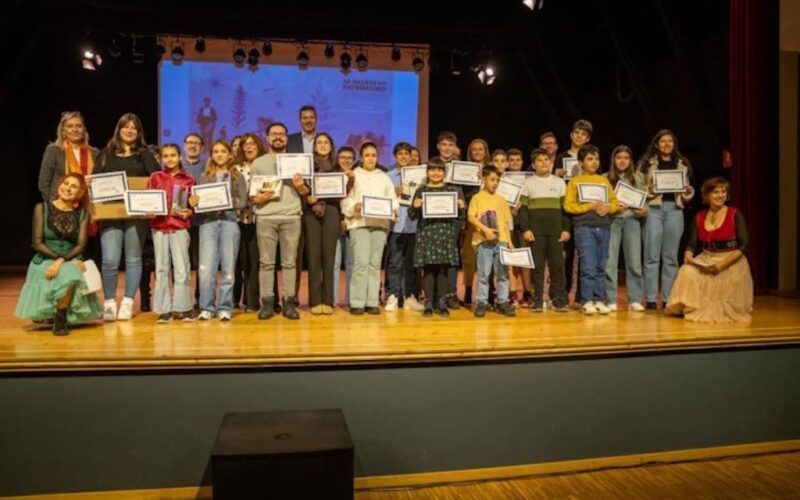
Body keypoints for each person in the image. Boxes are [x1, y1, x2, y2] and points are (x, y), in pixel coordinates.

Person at [15, 174, 102, 335]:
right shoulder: (42, 208)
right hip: (44, 258)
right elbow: (37, 243)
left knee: (70, 272)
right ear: (59, 185)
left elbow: (81, 245)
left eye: (74, 186)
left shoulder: (83, 214)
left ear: (80, 193)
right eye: (65, 183)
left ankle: (60, 318)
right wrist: (58, 259)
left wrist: (63, 260)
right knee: (69, 272)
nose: (68, 188)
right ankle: (53, 313)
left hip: (70, 257)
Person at [94, 113, 160, 322]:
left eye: (134, 127)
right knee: (110, 260)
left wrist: (153, 206)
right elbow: (95, 182)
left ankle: (129, 302)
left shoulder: (145, 154)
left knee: (133, 258)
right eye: (126, 127)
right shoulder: (105, 154)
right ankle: (110, 303)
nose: (130, 130)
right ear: (119, 129)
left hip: (137, 214)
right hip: (110, 213)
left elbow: (156, 181)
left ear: (138, 132)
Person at [666, 177, 753, 322]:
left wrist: (722, 265)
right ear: (707, 196)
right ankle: (688, 305)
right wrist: (688, 254)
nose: (720, 195)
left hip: (730, 261)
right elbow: (692, 243)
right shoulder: (699, 217)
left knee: (715, 307)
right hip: (706, 259)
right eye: (716, 192)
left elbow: (744, 246)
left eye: (723, 192)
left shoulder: (734, 214)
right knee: (686, 271)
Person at [251, 122, 307, 320]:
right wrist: (259, 199)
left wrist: (300, 187)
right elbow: (253, 196)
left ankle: (289, 303)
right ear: (267, 138)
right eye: (274, 134)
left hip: (291, 217)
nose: (278, 137)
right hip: (266, 217)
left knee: (289, 263)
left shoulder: (298, 161)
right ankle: (266, 302)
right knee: (266, 263)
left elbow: (306, 192)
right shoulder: (258, 163)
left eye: (282, 134)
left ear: (287, 138)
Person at [189, 141, 247, 321]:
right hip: (208, 223)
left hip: (229, 222)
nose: (219, 154)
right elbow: (197, 201)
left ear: (230, 154)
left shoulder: (237, 176)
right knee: (206, 268)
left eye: (223, 151)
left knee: (229, 268)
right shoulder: (204, 176)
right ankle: (206, 306)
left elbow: (243, 202)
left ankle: (224, 306)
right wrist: (194, 202)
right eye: (216, 152)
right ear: (211, 155)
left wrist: (227, 202)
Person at [637, 129, 695, 309]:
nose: (667, 144)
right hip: (654, 209)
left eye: (670, 141)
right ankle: (652, 299)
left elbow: (685, 194)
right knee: (651, 256)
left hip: (674, 211)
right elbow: (638, 189)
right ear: (656, 144)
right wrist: (650, 191)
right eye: (663, 141)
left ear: (674, 144)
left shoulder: (682, 164)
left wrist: (687, 192)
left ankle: (669, 298)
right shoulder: (646, 164)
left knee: (670, 257)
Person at [340, 141, 399, 315]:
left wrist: (394, 210)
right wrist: (354, 207)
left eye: (374, 155)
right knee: (361, 264)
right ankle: (357, 302)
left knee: (375, 265)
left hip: (380, 225)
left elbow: (392, 198)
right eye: (367, 155)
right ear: (361, 157)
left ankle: (371, 301)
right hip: (360, 224)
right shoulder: (353, 176)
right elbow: (345, 200)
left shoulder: (384, 177)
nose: (371, 158)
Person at [564, 145, 619, 315]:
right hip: (584, 227)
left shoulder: (604, 181)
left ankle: (599, 299)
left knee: (601, 266)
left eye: (596, 158)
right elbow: (568, 206)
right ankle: (587, 300)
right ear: (581, 162)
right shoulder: (575, 181)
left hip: (603, 227)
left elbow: (615, 202)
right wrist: (589, 206)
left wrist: (608, 208)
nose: (594, 162)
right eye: (589, 159)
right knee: (588, 266)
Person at [408, 157, 465, 316]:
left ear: (444, 173)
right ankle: (427, 304)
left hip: (445, 234)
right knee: (427, 270)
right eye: (432, 169)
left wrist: (461, 207)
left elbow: (460, 215)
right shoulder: (421, 190)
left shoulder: (450, 190)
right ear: (427, 172)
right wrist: (415, 206)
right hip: (426, 234)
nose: (435, 173)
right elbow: (412, 216)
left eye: (439, 170)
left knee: (442, 270)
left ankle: (441, 303)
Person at [516, 148, 571, 313]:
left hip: (556, 233)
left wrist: (566, 229)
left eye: (546, 160)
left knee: (557, 268)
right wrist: (525, 229)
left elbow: (565, 210)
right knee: (538, 268)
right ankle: (538, 300)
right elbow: (523, 210)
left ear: (551, 162)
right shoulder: (528, 183)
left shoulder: (559, 182)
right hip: (536, 233)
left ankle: (559, 300)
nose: (543, 163)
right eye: (539, 160)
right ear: (533, 164)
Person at [148, 144, 196, 323]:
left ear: (180, 157)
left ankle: (183, 307)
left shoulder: (188, 179)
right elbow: (148, 201)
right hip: (159, 227)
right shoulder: (155, 177)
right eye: (166, 156)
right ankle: (163, 309)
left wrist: (190, 211)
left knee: (182, 268)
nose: (169, 159)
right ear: (161, 158)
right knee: (161, 269)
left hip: (179, 227)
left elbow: (192, 206)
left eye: (173, 155)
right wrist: (147, 210)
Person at [467, 166, 516, 318]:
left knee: (503, 273)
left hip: (500, 241)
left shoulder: (501, 200)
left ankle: (502, 301)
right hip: (484, 242)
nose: (495, 183)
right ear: (483, 179)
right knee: (483, 274)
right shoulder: (477, 198)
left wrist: (509, 242)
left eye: (497, 180)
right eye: (492, 180)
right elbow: (471, 217)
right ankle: (481, 302)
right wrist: (485, 229)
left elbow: (506, 222)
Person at [604, 146, 647, 312]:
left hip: (632, 222)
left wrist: (644, 211)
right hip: (612, 222)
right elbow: (601, 202)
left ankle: (635, 299)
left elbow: (646, 203)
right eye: (619, 157)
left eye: (626, 158)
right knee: (610, 262)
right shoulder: (605, 178)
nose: (622, 161)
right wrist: (613, 208)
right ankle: (610, 299)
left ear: (630, 161)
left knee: (634, 262)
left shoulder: (638, 178)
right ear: (613, 160)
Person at [555, 120, 593, 308]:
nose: (579, 136)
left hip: (585, 211)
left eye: (583, 134)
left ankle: (581, 295)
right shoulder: (561, 157)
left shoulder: (592, 158)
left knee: (585, 255)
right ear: (571, 135)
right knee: (567, 255)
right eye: (577, 132)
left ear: (587, 138)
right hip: (566, 210)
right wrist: (558, 174)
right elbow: (552, 182)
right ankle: (563, 294)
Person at [304, 133, 343, 315]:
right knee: (313, 257)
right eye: (319, 142)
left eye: (326, 142)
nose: (322, 145)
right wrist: (307, 197)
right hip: (311, 211)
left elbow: (343, 192)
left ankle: (327, 300)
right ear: (314, 146)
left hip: (332, 211)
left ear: (331, 145)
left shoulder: (338, 166)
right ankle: (314, 300)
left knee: (329, 257)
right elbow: (302, 189)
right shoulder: (307, 166)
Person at [385, 141, 424, 312]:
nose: (403, 157)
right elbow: (382, 197)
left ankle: (410, 296)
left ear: (410, 156)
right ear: (395, 156)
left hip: (414, 225)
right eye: (400, 154)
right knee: (394, 263)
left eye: (406, 154)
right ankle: (393, 296)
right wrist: (393, 192)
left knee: (412, 264)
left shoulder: (419, 175)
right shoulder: (388, 175)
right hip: (396, 225)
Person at [232, 133, 267, 312]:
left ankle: (252, 302)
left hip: (259, 218)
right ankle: (233, 300)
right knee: (238, 262)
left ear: (259, 146)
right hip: (238, 219)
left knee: (255, 261)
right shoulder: (235, 169)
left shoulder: (266, 167)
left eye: (252, 143)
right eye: (245, 144)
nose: (249, 146)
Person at [38, 112, 98, 202]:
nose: (75, 129)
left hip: (90, 204)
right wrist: (54, 204)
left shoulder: (95, 153)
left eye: (79, 126)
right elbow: (44, 183)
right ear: (63, 131)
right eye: (70, 126)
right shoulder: (54, 150)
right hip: (62, 204)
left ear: (84, 130)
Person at [459, 138, 491, 307]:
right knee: (469, 256)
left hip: (491, 220)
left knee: (490, 255)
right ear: (470, 153)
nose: (478, 152)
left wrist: (484, 180)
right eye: (474, 150)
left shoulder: (493, 171)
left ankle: (490, 294)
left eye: (481, 149)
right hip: (473, 219)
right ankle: (468, 291)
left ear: (486, 151)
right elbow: (463, 196)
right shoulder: (465, 172)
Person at [505, 147, 532, 306]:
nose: (515, 163)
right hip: (508, 223)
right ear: (507, 163)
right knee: (510, 260)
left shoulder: (528, 179)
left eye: (518, 160)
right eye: (512, 160)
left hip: (523, 223)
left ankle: (528, 292)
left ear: (522, 162)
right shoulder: (502, 180)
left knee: (524, 259)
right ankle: (512, 292)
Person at [332, 146, 356, 307]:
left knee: (352, 264)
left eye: (349, 157)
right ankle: (332, 300)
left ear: (354, 160)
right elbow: (332, 201)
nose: (346, 160)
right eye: (343, 157)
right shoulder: (332, 176)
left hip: (353, 224)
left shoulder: (359, 177)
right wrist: (340, 218)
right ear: (337, 159)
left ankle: (351, 300)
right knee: (334, 264)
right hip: (334, 224)